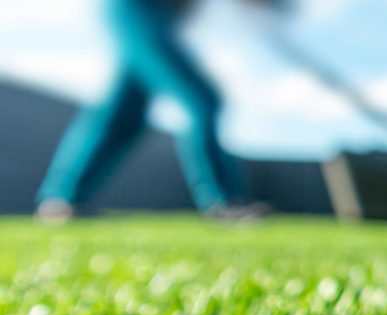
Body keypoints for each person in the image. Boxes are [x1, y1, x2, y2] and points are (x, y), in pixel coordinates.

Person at [36, 0, 282, 224]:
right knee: (202, 101)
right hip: (136, 8)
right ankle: (224, 201)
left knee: (123, 116)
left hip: (152, 15)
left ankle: (61, 202)